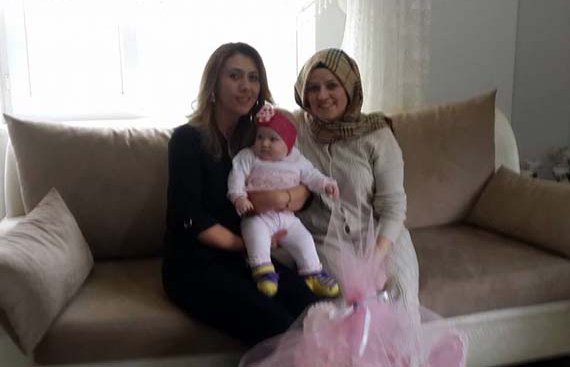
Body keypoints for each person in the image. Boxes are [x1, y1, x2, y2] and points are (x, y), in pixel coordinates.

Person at [162, 42, 320, 346]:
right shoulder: (186, 139)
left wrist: (286, 197)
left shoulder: (258, 138)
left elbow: (303, 183)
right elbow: (189, 216)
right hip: (194, 264)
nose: (246, 86)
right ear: (214, 83)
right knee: (278, 325)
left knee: (312, 306)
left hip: (245, 257)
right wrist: (246, 245)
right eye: (234, 76)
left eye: (253, 77)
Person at [291, 48, 420, 312]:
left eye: (332, 85)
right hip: (326, 240)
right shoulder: (294, 130)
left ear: (350, 88)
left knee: (400, 295)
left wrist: (375, 258)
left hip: (382, 236)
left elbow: (393, 208)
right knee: (353, 301)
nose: (322, 95)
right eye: (313, 88)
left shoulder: (377, 135)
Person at [227, 104, 340, 298]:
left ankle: (312, 272)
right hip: (258, 215)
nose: (264, 144)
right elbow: (236, 175)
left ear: (288, 143)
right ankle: (263, 270)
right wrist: (238, 196)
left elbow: (311, 175)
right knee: (255, 235)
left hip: (287, 217)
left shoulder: (297, 159)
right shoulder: (249, 156)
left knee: (304, 239)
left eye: (273, 139)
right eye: (260, 137)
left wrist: (325, 184)